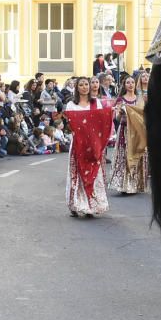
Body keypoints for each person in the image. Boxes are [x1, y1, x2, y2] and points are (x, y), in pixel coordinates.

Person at [63, 77, 114, 217]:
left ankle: (91, 205)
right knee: (78, 174)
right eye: (81, 84)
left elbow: (101, 121)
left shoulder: (96, 102)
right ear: (77, 88)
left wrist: (113, 110)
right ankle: (76, 204)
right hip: (78, 145)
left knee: (93, 174)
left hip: (92, 146)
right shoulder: (71, 105)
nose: (85, 87)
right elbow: (69, 124)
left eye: (86, 84)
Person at [110, 76, 149, 195]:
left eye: (132, 82)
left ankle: (136, 184)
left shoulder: (141, 99)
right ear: (124, 85)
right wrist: (120, 113)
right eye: (128, 82)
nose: (131, 84)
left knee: (137, 155)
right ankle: (125, 185)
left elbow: (145, 115)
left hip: (138, 131)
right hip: (125, 130)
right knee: (125, 156)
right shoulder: (121, 100)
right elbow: (115, 118)